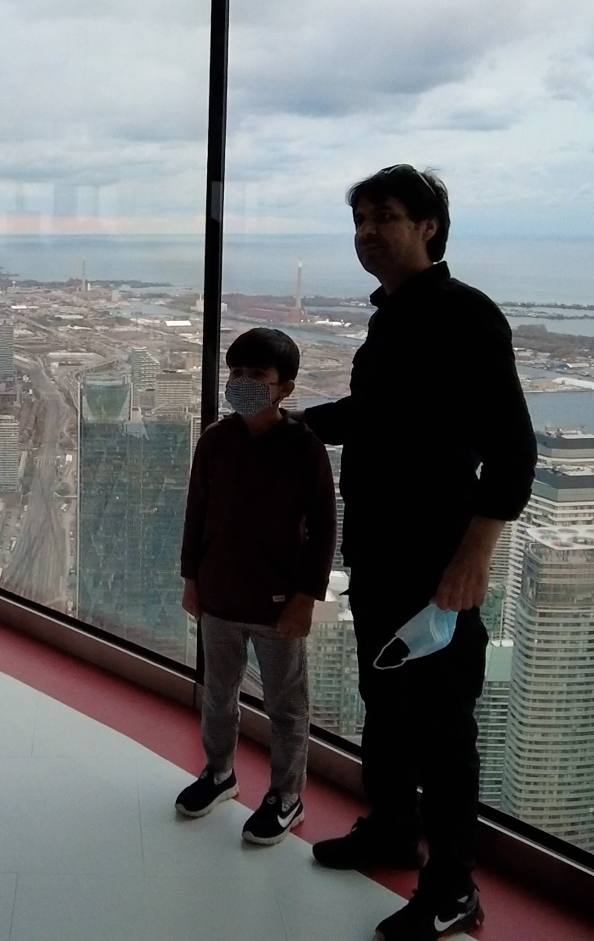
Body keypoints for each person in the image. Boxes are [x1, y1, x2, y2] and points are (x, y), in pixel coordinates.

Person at [301, 165, 536, 941]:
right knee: (385, 706)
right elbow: (376, 416)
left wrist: (473, 557)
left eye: (386, 217)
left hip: (437, 562)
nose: (368, 232)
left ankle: (453, 886)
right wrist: (296, 423)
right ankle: (395, 829)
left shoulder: (465, 316)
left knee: (442, 727)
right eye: (361, 219)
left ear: (430, 226)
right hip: (380, 553)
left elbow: (512, 453)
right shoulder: (393, 317)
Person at [176, 328, 336, 847]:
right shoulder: (216, 440)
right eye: (236, 374)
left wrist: (306, 598)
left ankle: (286, 797)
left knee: (287, 708)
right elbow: (196, 513)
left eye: (256, 376)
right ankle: (219, 773)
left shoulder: (304, 448)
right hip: (219, 596)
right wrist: (192, 580)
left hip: (277, 606)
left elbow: (325, 528)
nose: (242, 384)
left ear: (284, 388)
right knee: (218, 696)